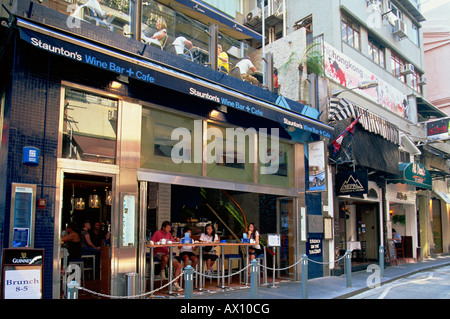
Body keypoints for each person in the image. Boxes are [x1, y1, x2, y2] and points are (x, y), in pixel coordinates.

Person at [151, 221, 183, 291]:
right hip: (158, 252)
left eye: (170, 228)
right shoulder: (157, 233)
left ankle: (175, 284)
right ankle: (162, 271)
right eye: (168, 228)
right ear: (163, 227)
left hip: (167, 252)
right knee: (165, 258)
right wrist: (157, 243)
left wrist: (177, 240)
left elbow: (173, 241)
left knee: (179, 265)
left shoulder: (169, 234)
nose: (169, 229)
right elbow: (151, 242)